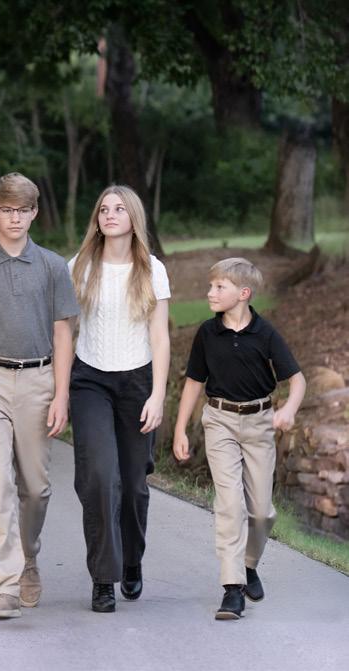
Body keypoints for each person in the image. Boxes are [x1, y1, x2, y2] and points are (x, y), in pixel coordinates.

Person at [0, 172, 79, 620]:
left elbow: (63, 333)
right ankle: (3, 586)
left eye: (23, 210)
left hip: (39, 379)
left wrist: (61, 394)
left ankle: (28, 558)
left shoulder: (53, 266)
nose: (15, 218)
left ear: (34, 213)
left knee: (36, 488)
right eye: (6, 209)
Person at [172, 258, 306, 620]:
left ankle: (248, 564)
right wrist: (180, 428)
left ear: (243, 293)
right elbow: (194, 382)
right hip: (220, 421)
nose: (210, 293)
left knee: (261, 512)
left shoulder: (265, 334)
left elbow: (297, 381)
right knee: (230, 505)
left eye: (219, 287)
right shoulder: (207, 333)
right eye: (211, 286)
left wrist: (289, 409)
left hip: (260, 423)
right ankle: (232, 588)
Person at [67, 186, 170, 613]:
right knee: (99, 477)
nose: (110, 214)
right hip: (89, 380)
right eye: (104, 209)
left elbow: (160, 337)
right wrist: (58, 389)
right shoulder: (79, 265)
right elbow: (65, 332)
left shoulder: (152, 269)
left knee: (132, 484)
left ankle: (131, 560)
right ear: (97, 219)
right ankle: (103, 577)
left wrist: (158, 395)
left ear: (134, 218)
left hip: (137, 382)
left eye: (119, 208)